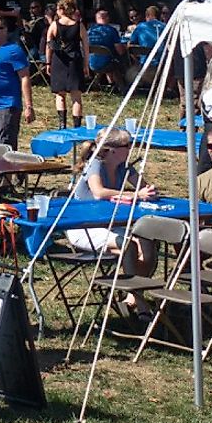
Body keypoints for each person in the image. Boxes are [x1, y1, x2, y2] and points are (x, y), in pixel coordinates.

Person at [68, 128, 159, 312]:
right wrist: (136, 194)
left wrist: (149, 191)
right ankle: (140, 303)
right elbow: (99, 192)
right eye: (128, 145)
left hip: (112, 225)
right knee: (128, 246)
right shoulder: (95, 164)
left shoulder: (124, 167)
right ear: (112, 150)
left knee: (148, 244)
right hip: (83, 227)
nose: (132, 149)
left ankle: (133, 296)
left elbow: (143, 187)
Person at [0, 16, 35, 148]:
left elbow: (25, 77)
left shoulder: (13, 51)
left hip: (7, 106)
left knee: (5, 147)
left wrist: (29, 106)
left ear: (5, 30)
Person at [46, 0, 89, 129]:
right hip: (75, 60)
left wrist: (48, 63)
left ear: (61, 9)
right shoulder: (79, 26)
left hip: (59, 60)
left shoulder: (54, 25)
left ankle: (62, 124)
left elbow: (49, 45)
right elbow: (86, 47)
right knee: (76, 96)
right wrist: (86, 64)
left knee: (60, 94)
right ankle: (76, 125)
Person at [87, 8, 127, 90]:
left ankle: (107, 84)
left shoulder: (90, 31)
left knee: (106, 59)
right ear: (106, 18)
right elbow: (120, 51)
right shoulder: (111, 31)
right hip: (107, 64)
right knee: (117, 62)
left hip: (91, 63)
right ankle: (122, 88)